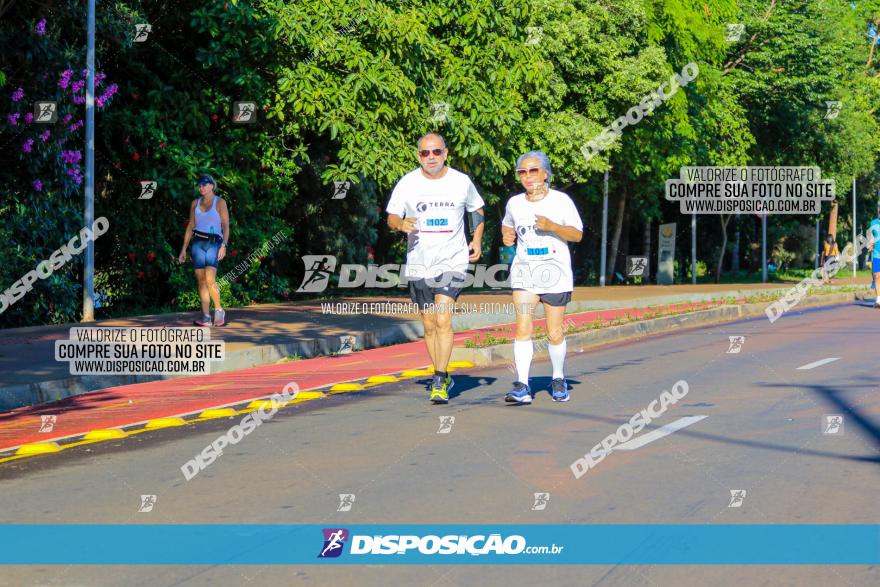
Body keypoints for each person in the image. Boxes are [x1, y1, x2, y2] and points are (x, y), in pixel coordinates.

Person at [386, 133, 485, 403]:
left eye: (436, 152)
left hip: (452, 259)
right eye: (425, 153)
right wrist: (400, 224)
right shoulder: (407, 183)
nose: (431, 157)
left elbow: (477, 210)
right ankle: (440, 371)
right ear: (418, 155)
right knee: (429, 326)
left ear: (446, 153)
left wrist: (476, 239)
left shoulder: (460, 181)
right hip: (419, 262)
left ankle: (440, 378)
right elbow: (391, 216)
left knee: (443, 319)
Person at [501, 150, 583, 404]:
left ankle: (558, 378)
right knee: (523, 326)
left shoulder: (561, 201)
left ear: (545, 173)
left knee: (554, 332)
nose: (528, 176)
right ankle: (522, 386)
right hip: (525, 273)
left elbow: (577, 235)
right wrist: (507, 235)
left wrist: (553, 227)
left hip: (555, 274)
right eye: (522, 172)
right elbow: (507, 223)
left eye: (533, 170)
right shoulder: (515, 203)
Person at [177, 174, 230, 326]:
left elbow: (226, 226)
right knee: (201, 281)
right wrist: (183, 249)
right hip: (198, 243)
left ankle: (219, 310)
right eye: (199, 185)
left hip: (214, 242)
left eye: (205, 184)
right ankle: (206, 316)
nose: (201, 187)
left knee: (210, 280)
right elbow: (190, 226)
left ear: (212, 186)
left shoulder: (220, 202)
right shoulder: (195, 203)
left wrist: (224, 245)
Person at [869, 206, 880, 307]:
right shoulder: (873, 223)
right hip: (877, 254)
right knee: (876, 275)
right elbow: (871, 237)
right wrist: (870, 243)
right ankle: (878, 300)